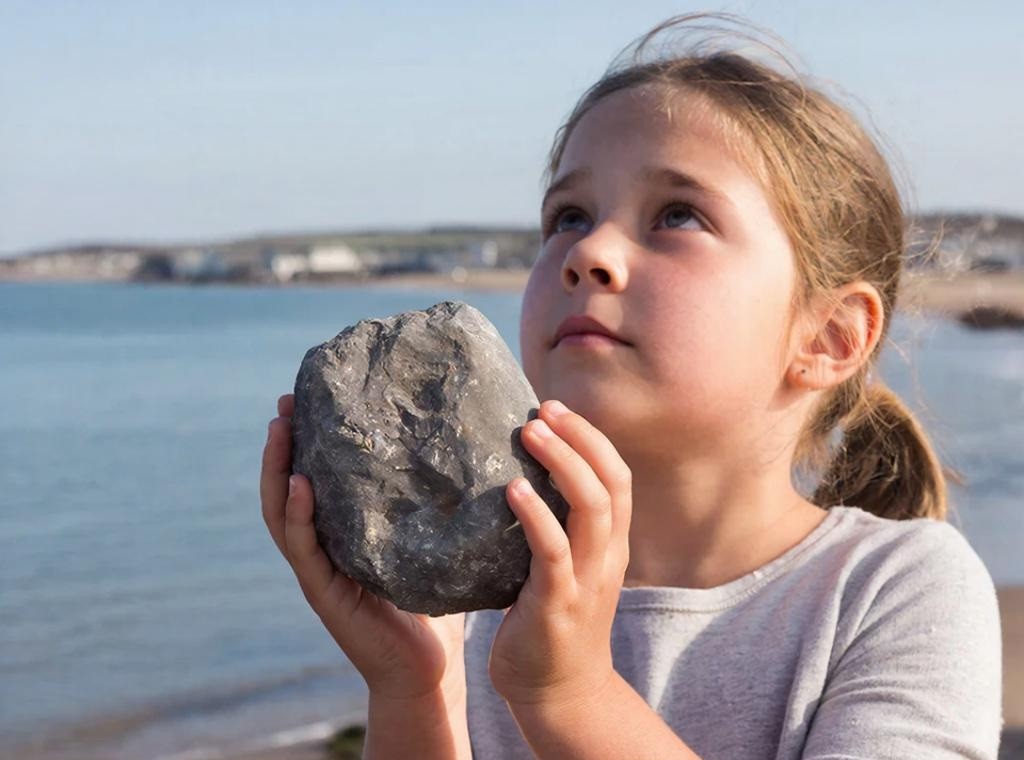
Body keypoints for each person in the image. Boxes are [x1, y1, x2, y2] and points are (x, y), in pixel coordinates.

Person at [260, 13, 1003, 759]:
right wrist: (411, 688)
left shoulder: (894, 590)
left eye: (678, 215)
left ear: (828, 336)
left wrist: (569, 693)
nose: (589, 252)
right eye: (568, 216)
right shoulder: (478, 617)